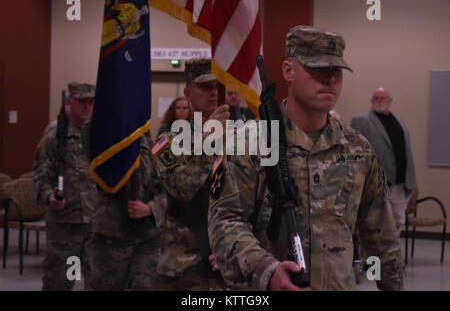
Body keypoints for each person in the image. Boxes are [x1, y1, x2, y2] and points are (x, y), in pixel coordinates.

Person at [208, 25, 403, 291]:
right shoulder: (247, 143)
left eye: (336, 70)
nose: (329, 79)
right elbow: (224, 220)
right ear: (288, 70)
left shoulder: (358, 149)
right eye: (317, 68)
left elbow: (382, 235)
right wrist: (267, 271)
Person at [152, 58, 229, 290]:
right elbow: (182, 188)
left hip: (227, 262)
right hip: (183, 265)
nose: (214, 93)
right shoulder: (168, 142)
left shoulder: (241, 140)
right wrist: (207, 141)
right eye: (206, 87)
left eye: (218, 87)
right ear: (188, 92)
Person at [34, 82, 98, 290]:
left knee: (97, 281)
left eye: (91, 102)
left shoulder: (98, 137)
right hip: (64, 225)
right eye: (82, 102)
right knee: (59, 281)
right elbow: (40, 178)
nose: (87, 107)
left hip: (95, 222)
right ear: (70, 103)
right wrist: (48, 196)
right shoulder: (54, 137)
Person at [84, 129, 167, 291]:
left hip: (147, 236)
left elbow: (168, 190)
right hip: (112, 235)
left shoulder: (151, 145)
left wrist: (151, 208)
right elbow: (89, 133)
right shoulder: (104, 140)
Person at [350, 88, 417, 234]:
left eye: (383, 98)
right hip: (377, 185)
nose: (379, 101)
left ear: (390, 101)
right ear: (371, 101)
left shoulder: (399, 121)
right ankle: (373, 258)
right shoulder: (360, 120)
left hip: (400, 184)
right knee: (375, 229)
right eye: (376, 98)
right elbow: (354, 153)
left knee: (397, 224)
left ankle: (391, 257)